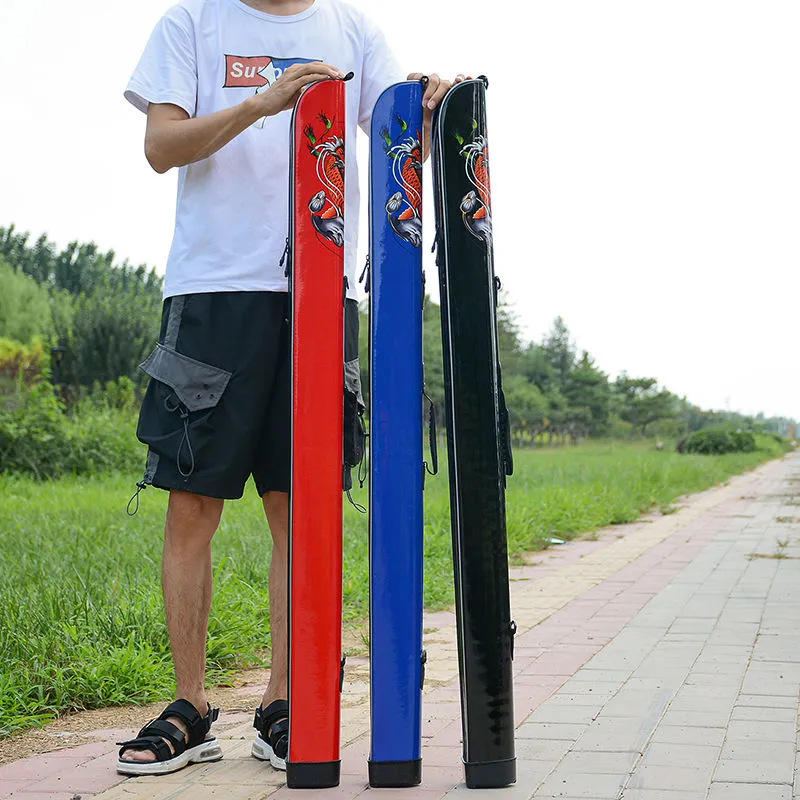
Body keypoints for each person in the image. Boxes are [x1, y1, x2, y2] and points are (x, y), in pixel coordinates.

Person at [119, 0, 464, 778]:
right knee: (191, 503)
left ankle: (285, 702)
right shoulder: (193, 22)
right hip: (213, 290)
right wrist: (262, 104)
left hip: (321, 285)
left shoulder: (352, 29)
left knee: (299, 503)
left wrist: (434, 103)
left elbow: (397, 131)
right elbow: (161, 147)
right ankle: (189, 706)